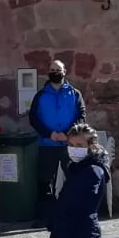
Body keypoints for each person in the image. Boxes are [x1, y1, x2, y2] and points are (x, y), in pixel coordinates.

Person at [28, 58, 88, 218]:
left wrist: (67, 133)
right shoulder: (40, 96)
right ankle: (45, 216)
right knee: (44, 182)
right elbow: (33, 118)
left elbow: (81, 116)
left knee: (75, 180)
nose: (55, 73)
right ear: (48, 73)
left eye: (58, 70)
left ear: (64, 72)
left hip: (70, 145)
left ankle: (76, 214)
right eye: (52, 70)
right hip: (47, 144)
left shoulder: (75, 94)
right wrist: (50, 134)